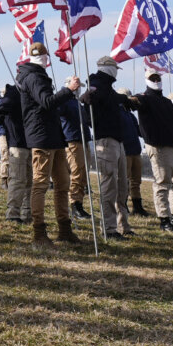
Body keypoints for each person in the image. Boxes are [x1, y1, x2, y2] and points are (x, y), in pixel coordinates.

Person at [14, 42, 77, 246]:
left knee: (62, 184)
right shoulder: (33, 77)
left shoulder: (36, 75)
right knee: (40, 185)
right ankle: (39, 233)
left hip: (52, 135)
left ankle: (64, 228)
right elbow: (47, 101)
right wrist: (68, 90)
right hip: (42, 136)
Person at [130, 71, 173, 231]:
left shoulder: (165, 102)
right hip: (158, 147)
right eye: (152, 78)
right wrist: (132, 99)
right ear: (146, 80)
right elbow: (135, 102)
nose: (156, 80)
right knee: (162, 183)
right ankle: (164, 220)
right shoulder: (144, 98)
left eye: (157, 77)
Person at [82, 58, 133, 239]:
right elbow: (90, 98)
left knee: (121, 187)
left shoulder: (107, 87)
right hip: (105, 141)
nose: (117, 72)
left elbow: (111, 98)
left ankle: (123, 225)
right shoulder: (97, 85)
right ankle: (109, 228)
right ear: (109, 69)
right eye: (115, 68)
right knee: (109, 186)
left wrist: (125, 99)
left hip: (116, 141)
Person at [56, 76, 91, 221]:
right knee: (76, 173)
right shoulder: (64, 102)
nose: (78, 88)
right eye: (76, 86)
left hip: (84, 140)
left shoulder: (78, 104)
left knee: (83, 173)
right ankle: (74, 204)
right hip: (72, 140)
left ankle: (80, 202)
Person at [0, 83, 32, 225]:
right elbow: (1, 107)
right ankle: (12, 214)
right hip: (17, 142)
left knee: (29, 180)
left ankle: (26, 211)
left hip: (29, 141)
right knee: (17, 179)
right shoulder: (13, 93)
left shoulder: (29, 92)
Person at [122, 106, 147, 218]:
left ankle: (137, 206)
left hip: (136, 151)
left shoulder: (131, 115)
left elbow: (139, 131)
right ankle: (124, 204)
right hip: (125, 152)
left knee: (136, 181)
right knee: (124, 181)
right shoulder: (118, 114)